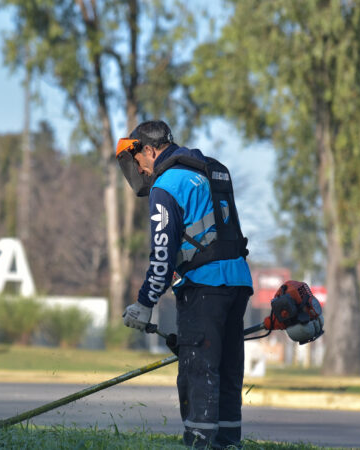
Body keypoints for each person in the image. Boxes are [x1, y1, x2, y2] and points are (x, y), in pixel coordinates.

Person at [116, 120, 253, 449]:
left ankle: (199, 443)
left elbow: (162, 255)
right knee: (227, 371)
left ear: (150, 151)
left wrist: (144, 303)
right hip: (237, 282)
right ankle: (228, 443)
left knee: (199, 371)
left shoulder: (166, 186)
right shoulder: (207, 170)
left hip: (204, 287)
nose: (140, 170)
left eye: (138, 160)